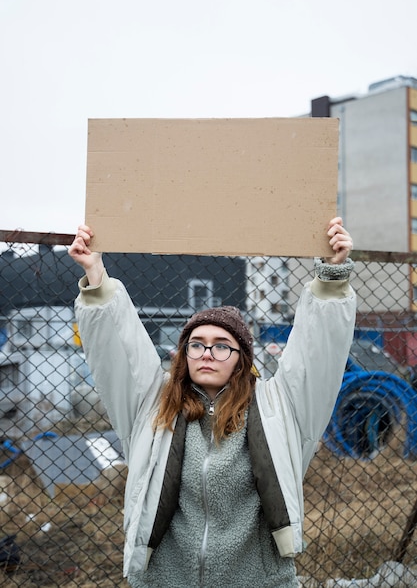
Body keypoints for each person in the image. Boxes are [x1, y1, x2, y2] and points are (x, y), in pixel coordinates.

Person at [68, 217, 356, 588]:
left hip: (258, 580)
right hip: (165, 579)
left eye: (221, 345)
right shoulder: (154, 409)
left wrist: (331, 279)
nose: (207, 352)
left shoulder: (277, 409)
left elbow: (316, 356)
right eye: (197, 343)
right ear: (184, 353)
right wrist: (96, 277)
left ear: (242, 358)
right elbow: (118, 352)